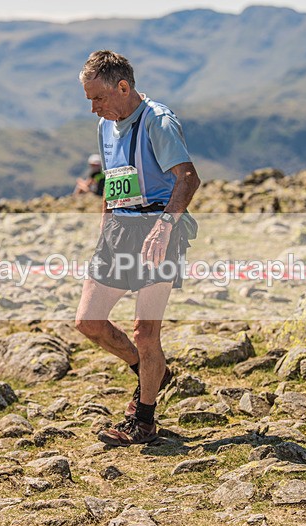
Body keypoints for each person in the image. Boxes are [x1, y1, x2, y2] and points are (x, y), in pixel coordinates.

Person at [75, 50, 200, 446]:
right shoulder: (105, 126)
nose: (95, 109)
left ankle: (144, 421)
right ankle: (150, 372)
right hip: (118, 232)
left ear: (123, 87)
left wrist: (165, 227)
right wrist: (103, 228)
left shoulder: (158, 122)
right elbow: (113, 182)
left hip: (157, 232)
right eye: (90, 100)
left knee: (146, 334)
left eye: (99, 98)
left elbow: (188, 179)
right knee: (88, 322)